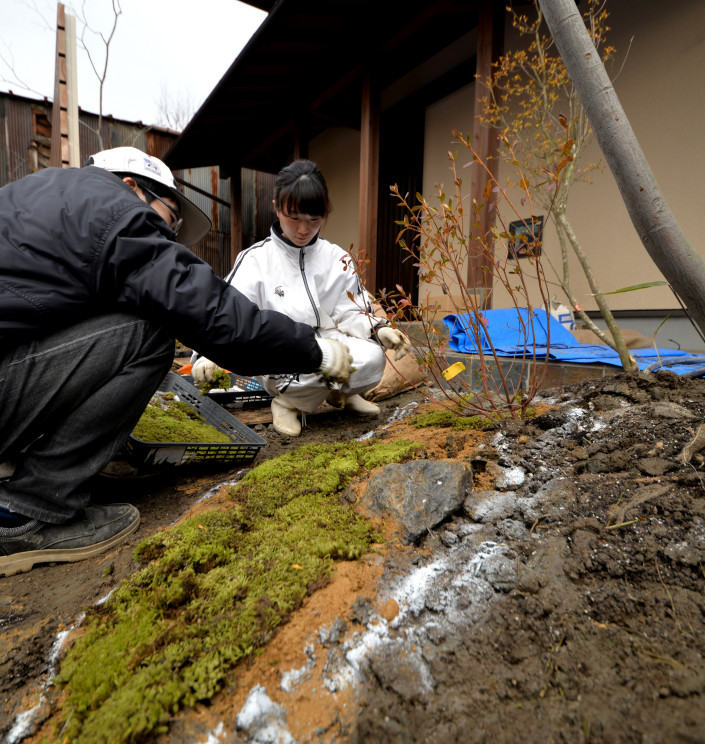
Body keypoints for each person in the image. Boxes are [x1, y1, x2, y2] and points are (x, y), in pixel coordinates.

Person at [0, 147, 353, 577]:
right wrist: (315, 351)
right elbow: (211, 313)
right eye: (169, 220)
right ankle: (29, 510)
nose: (167, 237)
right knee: (148, 333)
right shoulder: (113, 212)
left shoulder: (39, 194)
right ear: (132, 187)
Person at [192, 159, 411, 437]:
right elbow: (226, 310)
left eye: (313, 220)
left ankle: (340, 394)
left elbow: (351, 309)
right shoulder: (256, 259)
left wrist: (379, 329)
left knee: (373, 356)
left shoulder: (337, 258)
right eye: (294, 218)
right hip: (282, 349)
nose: (303, 230)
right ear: (277, 208)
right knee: (304, 364)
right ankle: (288, 403)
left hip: (331, 341)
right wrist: (207, 356)